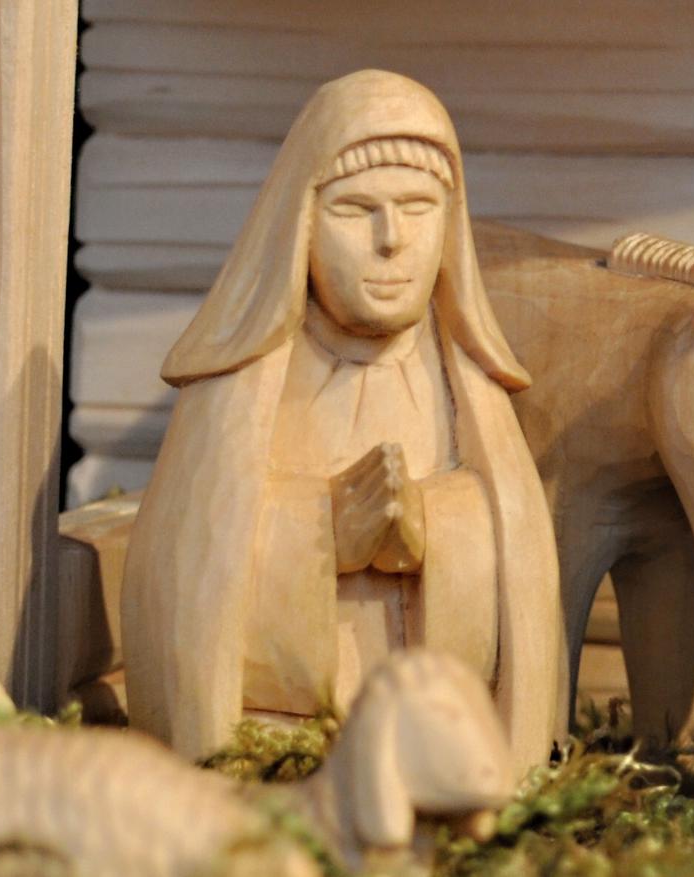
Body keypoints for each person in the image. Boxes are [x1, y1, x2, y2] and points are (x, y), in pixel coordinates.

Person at [121, 70, 563, 776]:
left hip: (441, 758)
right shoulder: (234, 392)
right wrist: (322, 531)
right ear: (300, 222)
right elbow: (182, 584)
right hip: (279, 758)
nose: (392, 239)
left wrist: (434, 530)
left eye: (419, 208)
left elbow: (526, 588)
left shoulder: (476, 396)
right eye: (356, 210)